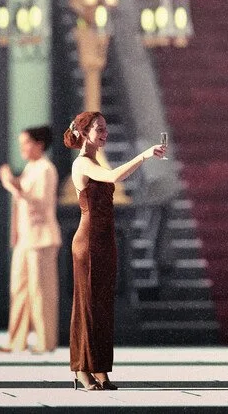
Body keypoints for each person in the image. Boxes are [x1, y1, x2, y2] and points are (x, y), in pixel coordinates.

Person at [63, 111, 166, 392]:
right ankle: (82, 369)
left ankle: (100, 368)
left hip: (105, 239)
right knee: (87, 305)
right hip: (87, 241)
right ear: (84, 133)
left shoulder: (95, 161)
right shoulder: (82, 163)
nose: (105, 134)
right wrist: (143, 156)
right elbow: (112, 176)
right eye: (99, 129)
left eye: (106, 129)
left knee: (103, 306)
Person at [0, 126, 61, 354]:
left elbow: (40, 202)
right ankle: (16, 340)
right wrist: (9, 182)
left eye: (26, 143)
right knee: (19, 290)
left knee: (41, 292)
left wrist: (11, 183)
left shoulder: (46, 169)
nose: (22, 148)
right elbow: (21, 194)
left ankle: (45, 341)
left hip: (41, 238)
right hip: (25, 239)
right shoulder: (31, 168)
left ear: (39, 144)